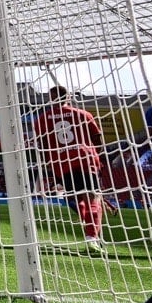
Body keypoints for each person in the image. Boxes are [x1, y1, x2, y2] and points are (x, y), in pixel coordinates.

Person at [32, 86, 109, 252]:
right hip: (84, 161)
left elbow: (41, 145)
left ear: (50, 99)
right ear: (68, 97)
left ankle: (91, 232)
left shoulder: (41, 119)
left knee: (76, 198)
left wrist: (50, 163)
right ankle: (92, 238)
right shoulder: (83, 114)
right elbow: (98, 140)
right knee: (93, 199)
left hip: (61, 165)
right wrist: (97, 158)